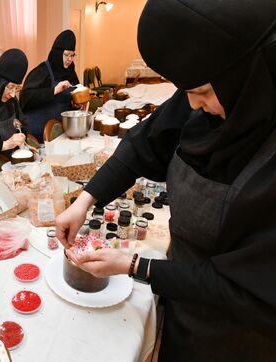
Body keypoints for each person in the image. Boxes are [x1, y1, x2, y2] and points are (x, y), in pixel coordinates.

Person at [55, 0, 276, 360]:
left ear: (245, 74)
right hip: (182, 302)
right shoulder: (211, 86)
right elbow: (144, 143)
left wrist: (134, 266)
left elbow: (246, 288)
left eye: (202, 93)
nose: (191, 105)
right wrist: (86, 199)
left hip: (236, 335)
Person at [20, 30, 80, 143]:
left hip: (61, 132)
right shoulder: (41, 71)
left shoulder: (71, 71)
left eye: (72, 55)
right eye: (66, 55)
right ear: (57, 53)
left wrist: (75, 105)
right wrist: (54, 90)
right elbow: (26, 97)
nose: (69, 59)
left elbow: (70, 99)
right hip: (38, 133)